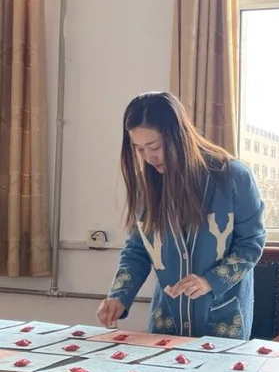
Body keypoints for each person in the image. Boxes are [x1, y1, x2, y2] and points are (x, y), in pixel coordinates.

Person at [96, 92, 266, 339]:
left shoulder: (233, 177)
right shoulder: (147, 187)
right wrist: (119, 296)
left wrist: (209, 281)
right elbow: (137, 250)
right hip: (166, 324)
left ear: (178, 136)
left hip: (222, 323)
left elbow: (251, 244)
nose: (149, 158)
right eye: (140, 149)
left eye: (155, 147)